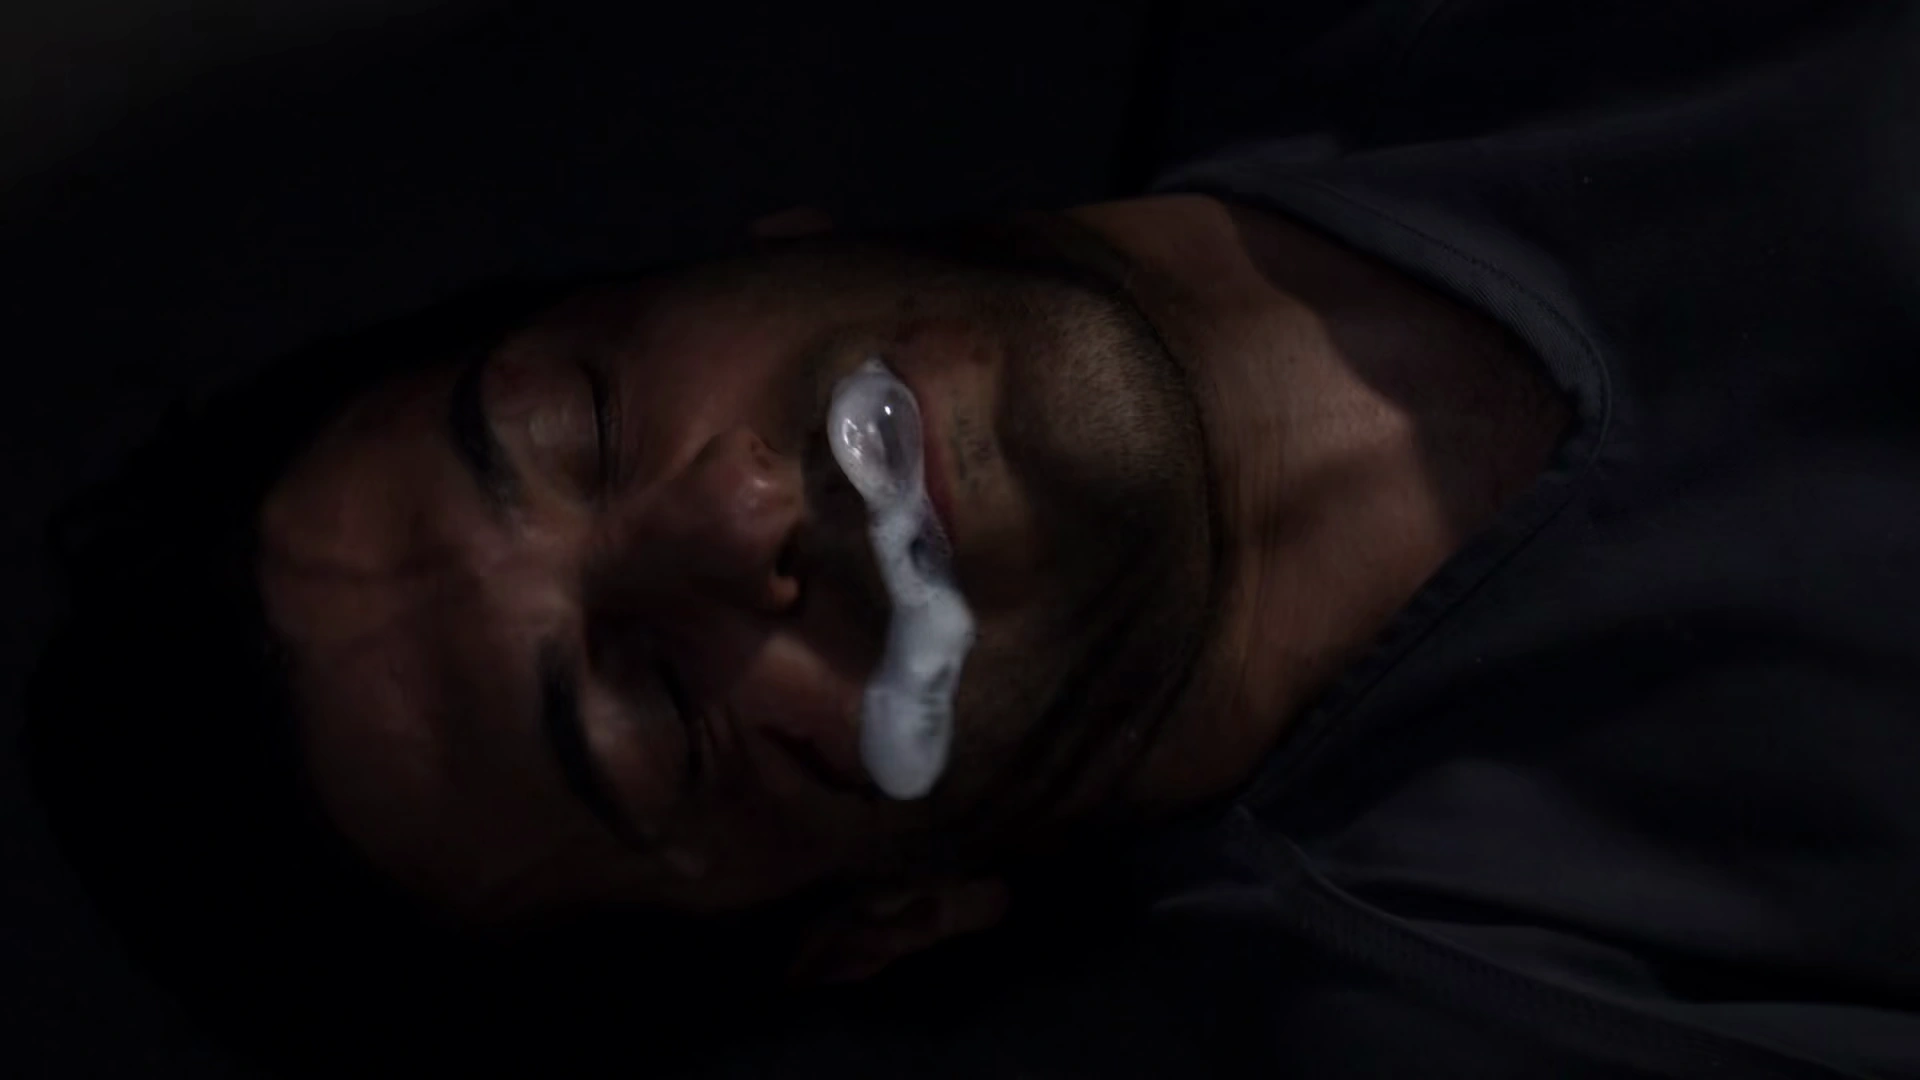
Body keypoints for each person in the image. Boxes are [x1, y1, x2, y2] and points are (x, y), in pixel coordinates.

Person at [26, 0, 1920, 1077]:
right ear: (888, 920)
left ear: (752, 248)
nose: (738, 513)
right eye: (652, 712)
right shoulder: (1498, 995)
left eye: (586, 424)